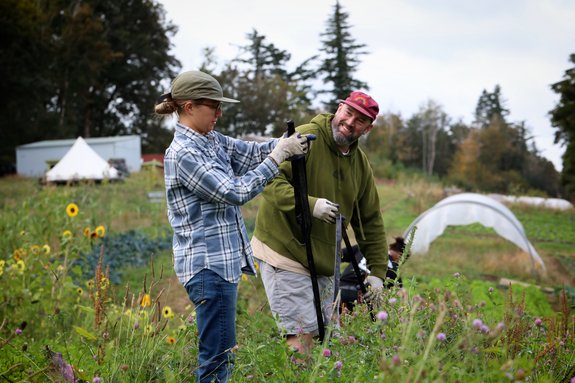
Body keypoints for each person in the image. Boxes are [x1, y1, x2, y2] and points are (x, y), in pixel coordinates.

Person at [155, 70, 312, 383]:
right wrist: (279, 156)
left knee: (220, 354)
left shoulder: (210, 140)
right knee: (216, 360)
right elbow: (234, 191)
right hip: (208, 268)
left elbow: (250, 152)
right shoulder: (184, 153)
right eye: (213, 106)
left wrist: (283, 143)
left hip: (220, 266)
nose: (219, 112)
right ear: (188, 107)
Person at [251, 91, 389, 356]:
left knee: (327, 342)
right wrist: (309, 204)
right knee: (301, 339)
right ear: (339, 109)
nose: (350, 122)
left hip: (324, 261)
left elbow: (369, 220)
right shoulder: (305, 138)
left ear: (368, 128)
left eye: (360, 120)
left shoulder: (359, 164)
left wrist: (377, 272)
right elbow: (269, 180)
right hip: (285, 250)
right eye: (348, 113)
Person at [339, 236, 407, 311]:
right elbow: (399, 294)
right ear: (401, 258)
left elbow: (337, 256)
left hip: (339, 290)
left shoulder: (363, 249)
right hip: (360, 297)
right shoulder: (394, 269)